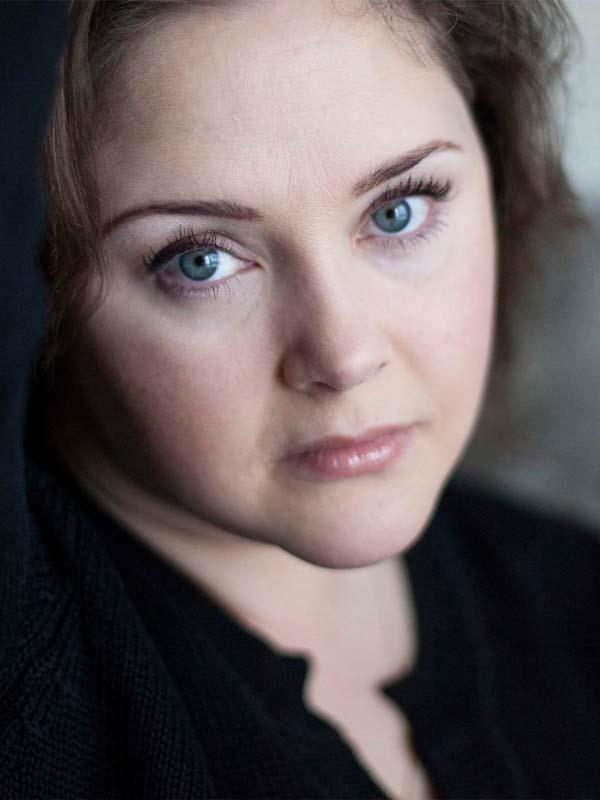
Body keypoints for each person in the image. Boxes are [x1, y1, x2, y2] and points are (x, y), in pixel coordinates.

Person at [1, 1, 599, 798]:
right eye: (200, 261)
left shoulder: (574, 596)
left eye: (398, 210)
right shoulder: (32, 681)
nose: (344, 358)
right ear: (38, 282)